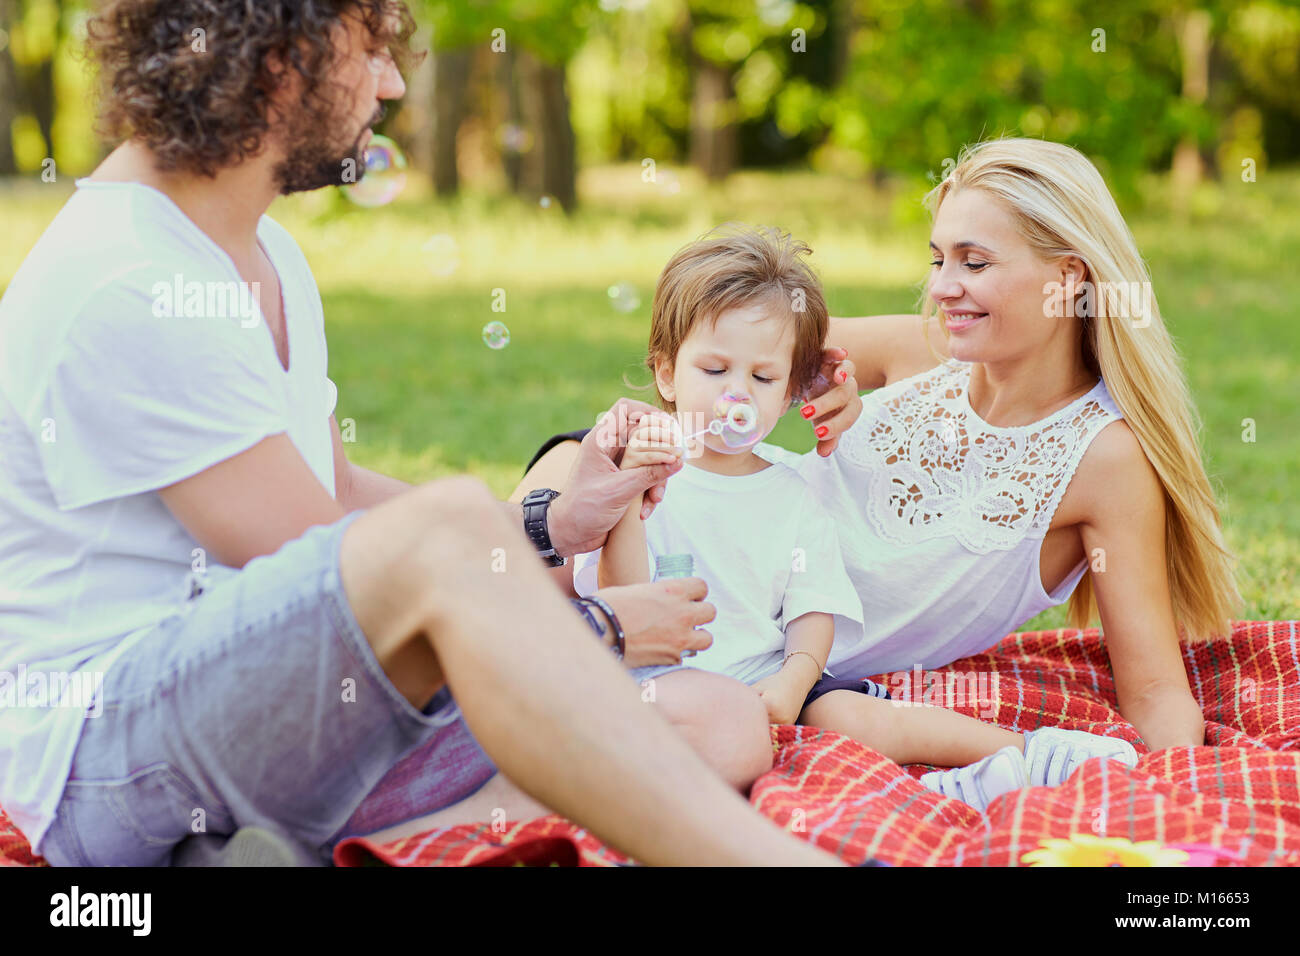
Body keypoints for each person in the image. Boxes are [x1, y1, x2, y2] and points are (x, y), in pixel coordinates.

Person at [0, 0, 845, 866]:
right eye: (370, 51)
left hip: (294, 719)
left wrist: (551, 524)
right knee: (463, 545)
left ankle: (354, 848)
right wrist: (595, 626)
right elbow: (309, 554)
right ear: (281, 57)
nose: (393, 82)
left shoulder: (263, 255)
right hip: (113, 762)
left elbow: (336, 492)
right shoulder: (133, 279)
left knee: (719, 718)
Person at [524, 139, 1243, 768]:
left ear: (1067, 280)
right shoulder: (924, 348)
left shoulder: (1103, 459)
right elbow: (736, 337)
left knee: (536, 649)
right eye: (938, 258)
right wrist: (826, 384)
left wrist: (1175, 793)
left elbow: (1153, 694)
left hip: (778, 652)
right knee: (543, 543)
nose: (941, 288)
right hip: (683, 542)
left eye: (974, 262)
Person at [572, 223, 1139, 813]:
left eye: (762, 378)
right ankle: (933, 790)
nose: (736, 395)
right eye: (714, 371)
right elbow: (620, 596)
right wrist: (629, 497)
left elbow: (813, 607)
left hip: (768, 678)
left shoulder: (791, 493)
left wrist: (793, 681)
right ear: (666, 373)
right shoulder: (641, 474)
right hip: (657, 676)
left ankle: (1027, 753)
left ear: (790, 390)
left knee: (866, 717)